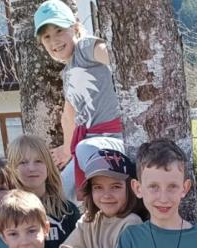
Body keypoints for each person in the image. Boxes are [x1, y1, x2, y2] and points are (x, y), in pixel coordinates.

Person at [34, 0, 123, 200]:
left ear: (74, 27)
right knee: (60, 194)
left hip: (113, 139)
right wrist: (66, 150)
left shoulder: (84, 48)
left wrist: (115, 58)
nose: (54, 41)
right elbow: (69, 116)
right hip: (90, 145)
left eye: (59, 31)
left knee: (68, 186)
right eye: (47, 37)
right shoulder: (67, 73)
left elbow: (109, 53)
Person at [6, 134, 80, 248]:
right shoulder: (7, 212)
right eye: (23, 162)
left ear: (48, 166)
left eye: (38, 161)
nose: (32, 168)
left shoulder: (68, 211)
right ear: (12, 168)